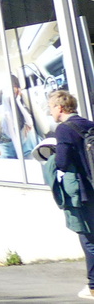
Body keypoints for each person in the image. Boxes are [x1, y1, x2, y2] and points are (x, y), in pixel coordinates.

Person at [46, 90, 94, 299]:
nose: (50, 112)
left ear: (60, 107)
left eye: (51, 108)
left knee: (88, 238)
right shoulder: (89, 124)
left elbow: (63, 162)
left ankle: (93, 286)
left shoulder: (64, 130)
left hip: (83, 191)